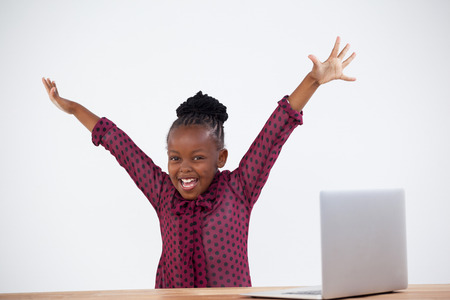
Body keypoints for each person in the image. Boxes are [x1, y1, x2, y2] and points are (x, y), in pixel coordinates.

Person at [42, 37, 356, 288]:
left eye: (198, 157)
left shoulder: (239, 188)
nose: (184, 168)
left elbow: (275, 131)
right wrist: (72, 108)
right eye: (175, 158)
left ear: (221, 158)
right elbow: (118, 144)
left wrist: (312, 80)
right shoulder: (163, 192)